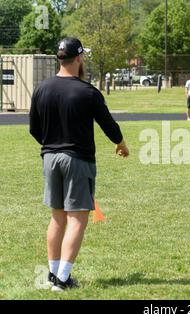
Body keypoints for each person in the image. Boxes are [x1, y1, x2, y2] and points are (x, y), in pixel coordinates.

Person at [29, 37, 129, 292]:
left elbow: (34, 128)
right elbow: (108, 123)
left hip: (49, 158)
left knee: (57, 217)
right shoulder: (88, 92)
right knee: (77, 219)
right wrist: (120, 143)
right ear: (79, 58)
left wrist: (51, 145)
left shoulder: (42, 89)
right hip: (77, 160)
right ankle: (62, 279)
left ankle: (53, 274)